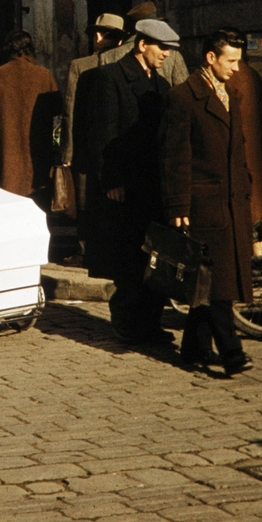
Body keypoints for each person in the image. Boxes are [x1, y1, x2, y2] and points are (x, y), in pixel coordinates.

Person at [162, 28, 253, 375]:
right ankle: (232, 353)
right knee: (219, 285)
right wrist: (178, 207)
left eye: (239, 61)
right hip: (204, 206)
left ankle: (194, 348)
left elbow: (238, 151)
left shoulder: (231, 94)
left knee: (209, 281)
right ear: (210, 57)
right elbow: (175, 158)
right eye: (231, 61)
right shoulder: (183, 97)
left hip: (232, 203)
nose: (237, 69)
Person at [83, 18, 179, 347]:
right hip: (124, 187)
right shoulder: (110, 80)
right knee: (128, 260)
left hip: (153, 186)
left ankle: (150, 323)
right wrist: (111, 180)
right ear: (142, 45)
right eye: (162, 48)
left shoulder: (162, 86)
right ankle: (128, 324)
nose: (167, 54)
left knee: (153, 259)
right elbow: (102, 136)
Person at [65, 13, 127, 248]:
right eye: (95, 34)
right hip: (110, 145)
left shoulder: (80, 65)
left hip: (88, 146)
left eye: (102, 34)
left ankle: (86, 249)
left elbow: (69, 111)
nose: (97, 38)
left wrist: (67, 154)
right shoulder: (125, 64)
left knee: (86, 201)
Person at [0, 31, 61, 198]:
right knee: (37, 200)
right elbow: (57, 107)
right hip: (37, 150)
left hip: (7, 151)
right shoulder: (44, 75)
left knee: (8, 197)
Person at [226, 34, 262, 228]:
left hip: (244, 154)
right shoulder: (252, 74)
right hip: (259, 153)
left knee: (251, 212)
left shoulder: (234, 77)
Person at [99, 2, 190, 87]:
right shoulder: (174, 56)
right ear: (142, 45)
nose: (166, 53)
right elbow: (183, 95)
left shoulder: (107, 56)